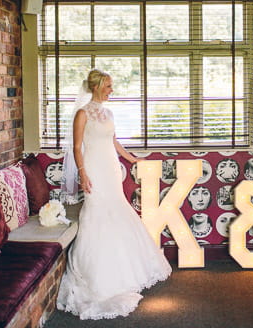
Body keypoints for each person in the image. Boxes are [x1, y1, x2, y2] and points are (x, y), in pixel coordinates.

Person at [57, 69, 171, 320]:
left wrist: (131, 158)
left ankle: (126, 269)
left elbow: (114, 141)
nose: (112, 90)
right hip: (94, 168)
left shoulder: (108, 112)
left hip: (110, 168)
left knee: (117, 211)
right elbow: (77, 147)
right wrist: (83, 174)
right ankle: (101, 277)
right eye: (108, 86)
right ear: (96, 87)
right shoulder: (82, 114)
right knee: (97, 213)